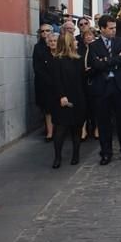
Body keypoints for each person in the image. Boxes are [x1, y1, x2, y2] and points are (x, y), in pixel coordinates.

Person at [87, 15, 121, 165]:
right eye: (111, 28)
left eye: (115, 28)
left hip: (120, 86)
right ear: (102, 29)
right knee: (104, 122)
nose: (114, 31)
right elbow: (95, 65)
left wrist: (105, 60)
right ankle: (106, 152)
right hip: (102, 87)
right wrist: (113, 60)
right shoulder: (94, 46)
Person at [50, 33, 87, 168]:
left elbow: (82, 80)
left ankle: (76, 155)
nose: (77, 42)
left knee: (76, 129)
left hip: (78, 97)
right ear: (69, 43)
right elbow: (56, 81)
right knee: (60, 129)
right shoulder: (57, 60)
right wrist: (61, 96)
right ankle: (57, 157)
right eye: (74, 41)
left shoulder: (78, 60)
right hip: (63, 99)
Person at [33, 24, 55, 141]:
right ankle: (50, 132)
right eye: (42, 31)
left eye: (47, 30)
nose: (45, 33)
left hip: (59, 82)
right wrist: (49, 80)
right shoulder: (38, 47)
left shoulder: (57, 44)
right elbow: (37, 67)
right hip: (45, 84)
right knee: (47, 109)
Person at [81, 28, 99, 141]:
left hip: (95, 80)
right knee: (84, 107)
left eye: (90, 35)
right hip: (83, 81)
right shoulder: (80, 50)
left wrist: (91, 70)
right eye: (85, 36)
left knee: (96, 106)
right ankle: (83, 129)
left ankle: (97, 128)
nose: (88, 37)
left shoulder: (97, 49)